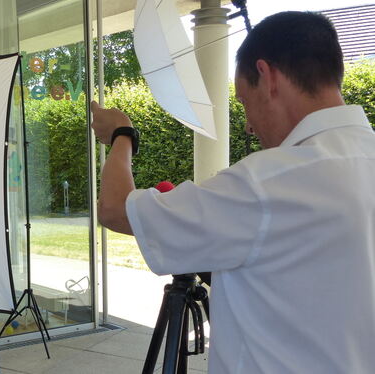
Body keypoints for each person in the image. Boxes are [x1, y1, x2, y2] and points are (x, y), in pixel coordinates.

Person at [92, 11, 375, 374]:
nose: (249, 125)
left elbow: (116, 209)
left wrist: (122, 135)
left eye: (243, 101)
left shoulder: (268, 182)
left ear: (267, 76)